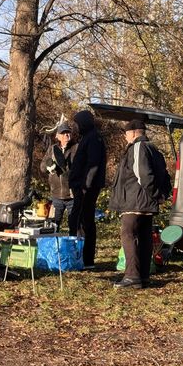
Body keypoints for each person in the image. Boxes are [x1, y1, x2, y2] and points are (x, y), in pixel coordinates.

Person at [109, 119, 168, 289]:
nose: (125, 136)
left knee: (128, 235)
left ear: (134, 133)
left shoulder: (138, 147)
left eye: (126, 133)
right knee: (144, 238)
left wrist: (154, 194)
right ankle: (143, 277)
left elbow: (143, 175)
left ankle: (131, 276)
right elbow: (164, 175)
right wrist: (159, 196)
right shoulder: (154, 149)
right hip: (146, 202)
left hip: (135, 201)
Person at [68, 110, 107, 269]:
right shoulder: (88, 137)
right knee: (79, 221)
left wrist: (85, 186)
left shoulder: (93, 138)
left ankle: (84, 258)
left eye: (77, 124)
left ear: (83, 123)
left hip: (86, 188)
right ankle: (80, 257)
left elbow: (93, 164)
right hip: (82, 187)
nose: (76, 127)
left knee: (84, 222)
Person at [40, 122, 77, 231]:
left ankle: (73, 246)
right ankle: (53, 247)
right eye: (63, 133)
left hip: (72, 195)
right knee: (54, 225)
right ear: (58, 136)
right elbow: (42, 167)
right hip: (56, 195)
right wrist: (49, 167)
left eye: (68, 132)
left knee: (73, 226)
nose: (66, 135)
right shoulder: (52, 149)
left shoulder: (76, 148)